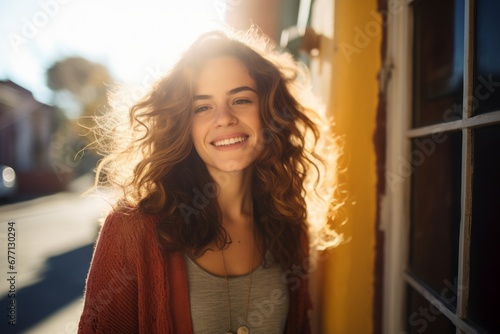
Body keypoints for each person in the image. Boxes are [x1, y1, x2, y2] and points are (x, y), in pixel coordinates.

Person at [78, 27, 340, 334]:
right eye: (202, 107)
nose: (224, 118)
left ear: (270, 110)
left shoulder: (289, 226)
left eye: (241, 100)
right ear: (183, 124)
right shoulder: (131, 230)